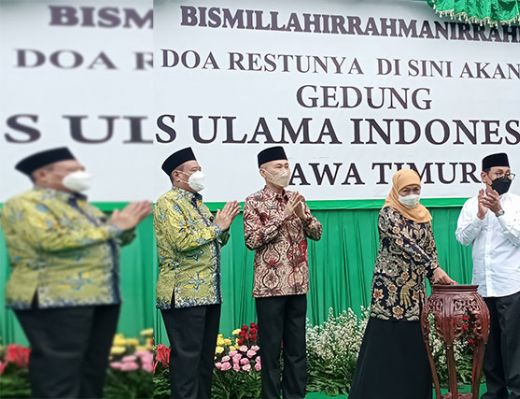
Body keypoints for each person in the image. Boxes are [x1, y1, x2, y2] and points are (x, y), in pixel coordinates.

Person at [1, 147, 151, 398]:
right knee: (60, 373)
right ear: (42, 175)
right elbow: (48, 240)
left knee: (91, 371)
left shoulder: (83, 207)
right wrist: (113, 228)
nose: (82, 174)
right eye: (73, 170)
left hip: (100, 296)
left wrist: (124, 229)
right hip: (54, 297)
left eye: (81, 169)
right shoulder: (23, 205)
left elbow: (107, 238)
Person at [349, 168, 455, 399]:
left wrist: (437, 279)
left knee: (413, 341)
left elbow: (430, 249)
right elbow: (404, 243)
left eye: (416, 189)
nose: (411, 194)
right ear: (397, 190)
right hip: (389, 290)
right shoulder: (388, 213)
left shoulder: (424, 215)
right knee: (387, 340)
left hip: (414, 290)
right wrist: (433, 268)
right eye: (406, 190)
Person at [154, 147, 238, 399]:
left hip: (208, 292)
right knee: (187, 360)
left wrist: (223, 227)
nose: (200, 174)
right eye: (194, 170)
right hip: (182, 293)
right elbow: (181, 241)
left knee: (203, 358)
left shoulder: (199, 204)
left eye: (200, 169)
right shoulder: (167, 203)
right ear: (178, 176)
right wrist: (216, 228)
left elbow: (217, 239)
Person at [243, 146, 322, 399]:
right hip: (270, 288)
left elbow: (317, 233)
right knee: (270, 348)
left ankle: (295, 395)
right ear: (263, 172)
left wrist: (303, 217)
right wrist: (282, 216)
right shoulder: (254, 202)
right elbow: (252, 239)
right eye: (278, 166)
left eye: (286, 165)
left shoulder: (297, 198)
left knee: (297, 348)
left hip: (298, 285)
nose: (284, 170)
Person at [455, 152, 520, 399]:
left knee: (516, 345)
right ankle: (495, 393)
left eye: (507, 174)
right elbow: (463, 239)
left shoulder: (519, 204)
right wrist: (480, 215)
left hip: (511, 284)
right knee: (488, 345)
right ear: (484, 176)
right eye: (498, 173)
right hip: (484, 286)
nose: (504, 178)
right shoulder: (471, 205)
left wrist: (499, 211)